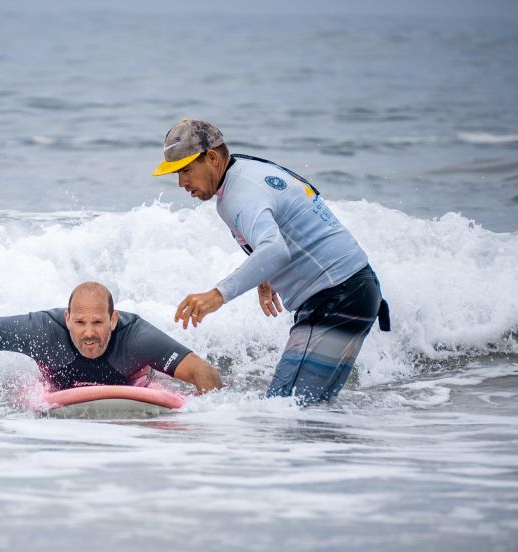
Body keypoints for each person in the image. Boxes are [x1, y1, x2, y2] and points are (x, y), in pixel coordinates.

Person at [152, 119, 390, 404]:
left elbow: (275, 250)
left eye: (186, 170)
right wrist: (265, 276)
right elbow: (278, 233)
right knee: (302, 409)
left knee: (287, 407)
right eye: (177, 174)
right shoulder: (244, 175)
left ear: (212, 157)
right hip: (349, 293)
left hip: (337, 297)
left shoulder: (241, 194)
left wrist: (218, 295)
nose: (182, 183)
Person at [0, 281, 222, 394]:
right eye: (79, 322)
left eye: (98, 322)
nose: (89, 332)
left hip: (133, 386)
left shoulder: (137, 338)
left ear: (113, 319)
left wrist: (206, 420)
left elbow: (204, 374)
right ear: (67, 319)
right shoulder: (42, 331)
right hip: (60, 389)